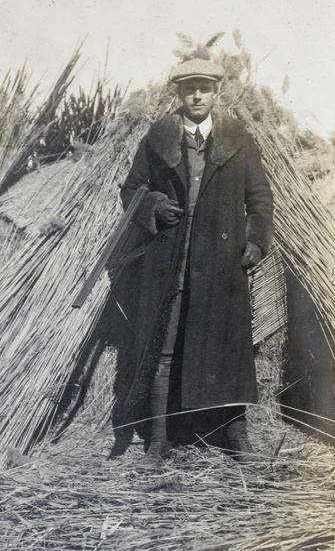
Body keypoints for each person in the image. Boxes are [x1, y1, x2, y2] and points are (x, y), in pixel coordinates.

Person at [110, 58, 274, 470]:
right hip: (170, 261)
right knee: (163, 347)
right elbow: (131, 189)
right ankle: (159, 441)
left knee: (228, 346)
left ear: (216, 93)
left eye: (204, 88)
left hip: (221, 263)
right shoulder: (159, 136)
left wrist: (255, 240)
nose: (197, 95)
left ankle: (237, 435)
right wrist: (153, 205)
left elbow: (260, 199)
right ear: (178, 94)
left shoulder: (239, 138)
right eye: (189, 89)